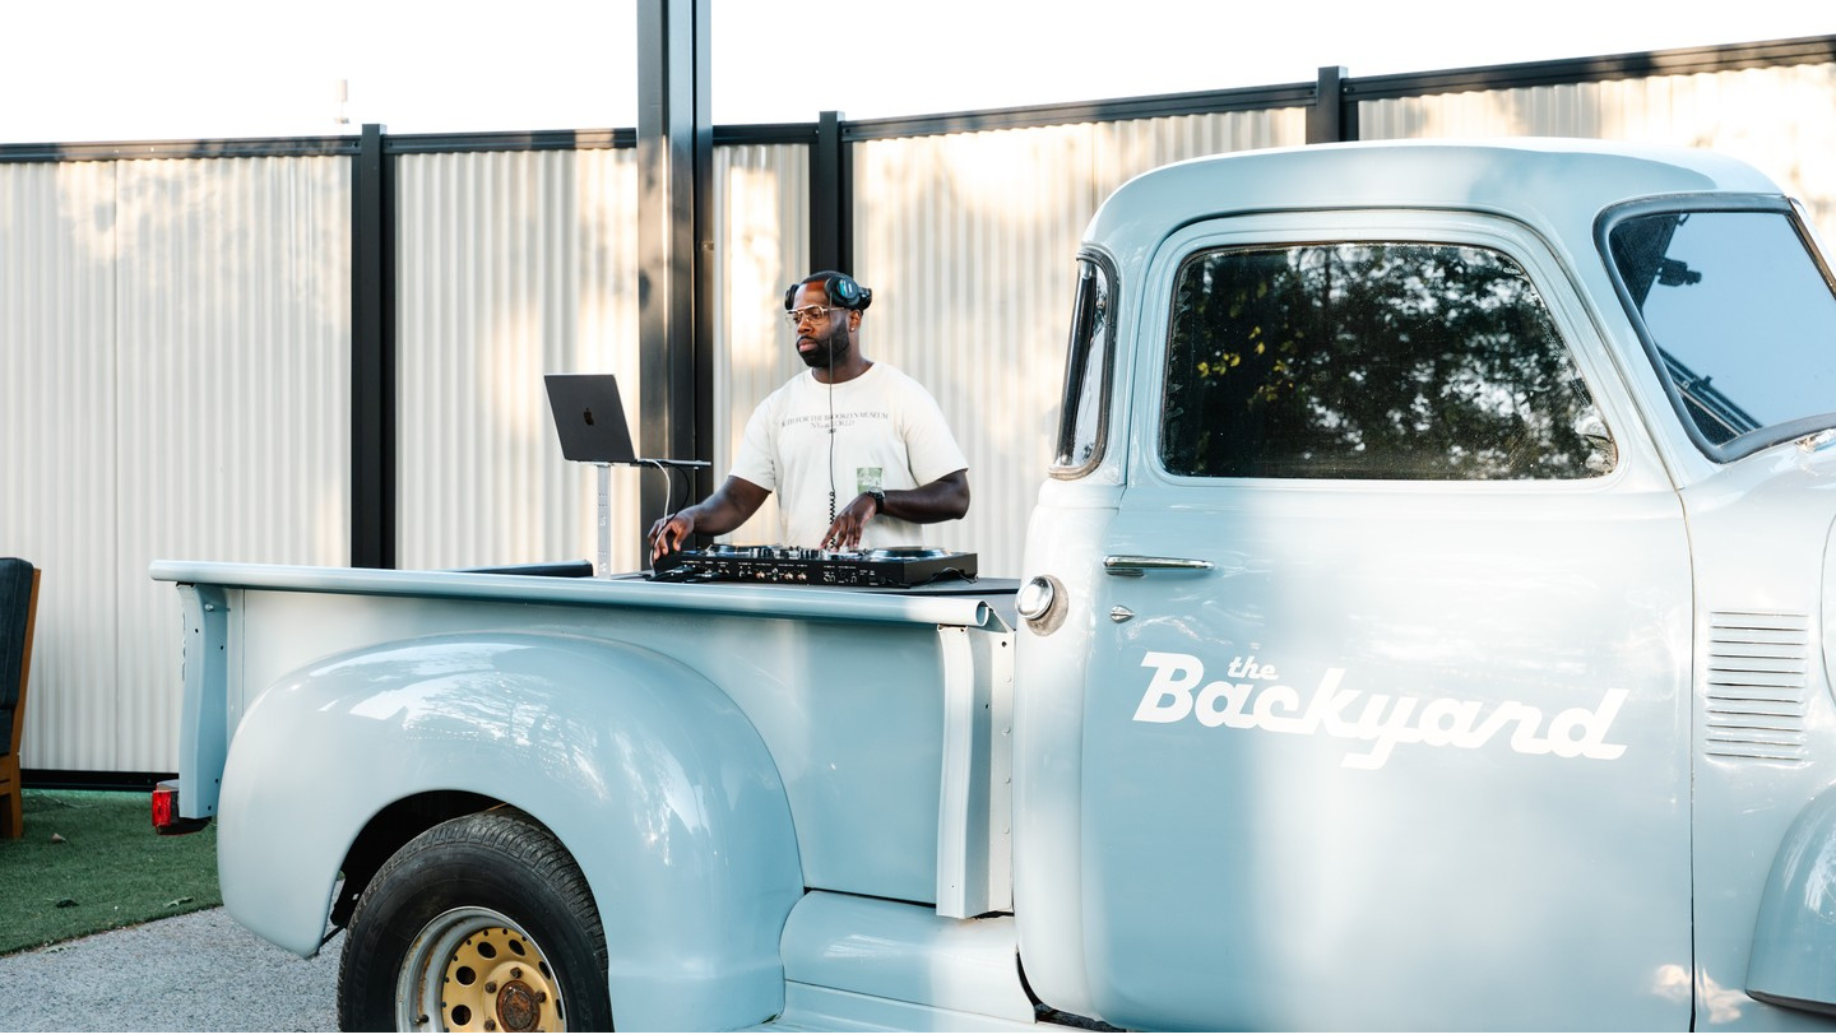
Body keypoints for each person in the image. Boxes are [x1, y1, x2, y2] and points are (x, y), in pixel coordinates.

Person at [648, 271, 969, 558]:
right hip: (806, 594)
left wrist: (877, 500)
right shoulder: (777, 407)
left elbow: (955, 496)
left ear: (853, 319)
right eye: (797, 316)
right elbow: (736, 500)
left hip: (888, 595)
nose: (802, 325)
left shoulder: (902, 394)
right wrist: (691, 516)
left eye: (816, 314)